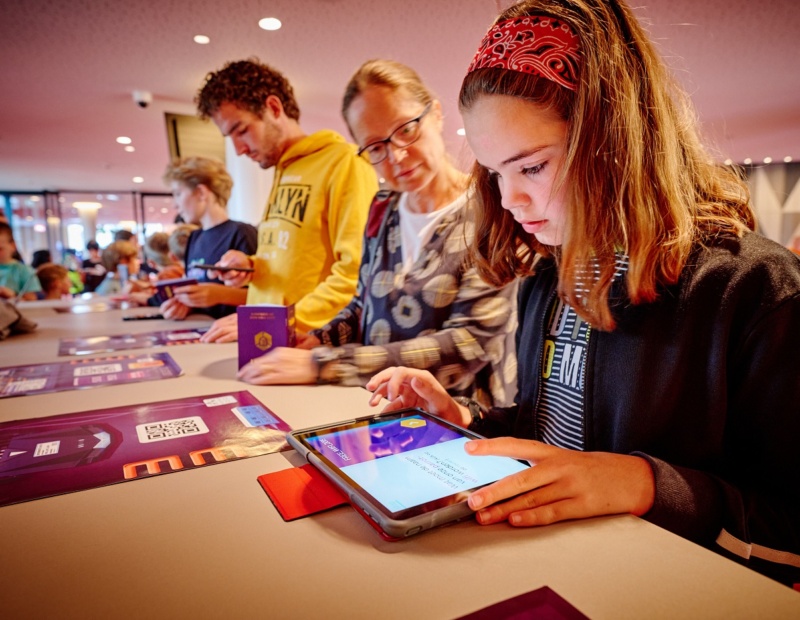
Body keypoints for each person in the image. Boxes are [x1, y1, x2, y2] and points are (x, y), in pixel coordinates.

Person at [366, 0, 800, 587]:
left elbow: (788, 524)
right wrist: (464, 418)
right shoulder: (548, 277)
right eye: (496, 174)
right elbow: (549, 434)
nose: (511, 201)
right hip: (555, 574)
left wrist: (644, 484)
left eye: (533, 168)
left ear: (617, 139)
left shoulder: (753, 291)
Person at [237, 59, 518, 408]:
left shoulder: (493, 209)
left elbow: (468, 344)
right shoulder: (383, 207)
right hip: (372, 404)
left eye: (405, 130)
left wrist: (325, 364)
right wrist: (317, 340)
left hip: (455, 421)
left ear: (436, 114)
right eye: (375, 147)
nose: (397, 156)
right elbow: (361, 305)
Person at [194, 58, 378, 342]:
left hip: (308, 342)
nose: (239, 149)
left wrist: (278, 323)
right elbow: (294, 257)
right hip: (266, 338)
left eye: (241, 130)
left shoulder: (345, 163)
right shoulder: (283, 169)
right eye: (229, 136)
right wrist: (251, 265)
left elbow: (354, 274)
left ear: (274, 108)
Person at [159, 156, 258, 320]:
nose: (175, 205)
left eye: (178, 193)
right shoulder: (194, 237)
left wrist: (220, 295)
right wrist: (185, 304)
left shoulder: (241, 232)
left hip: (232, 335)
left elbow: (261, 297)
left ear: (201, 192)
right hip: (200, 331)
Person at [0, 222, 40, 301]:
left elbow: (31, 299)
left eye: (0, 249)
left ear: (13, 246)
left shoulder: (24, 270)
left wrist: (12, 295)